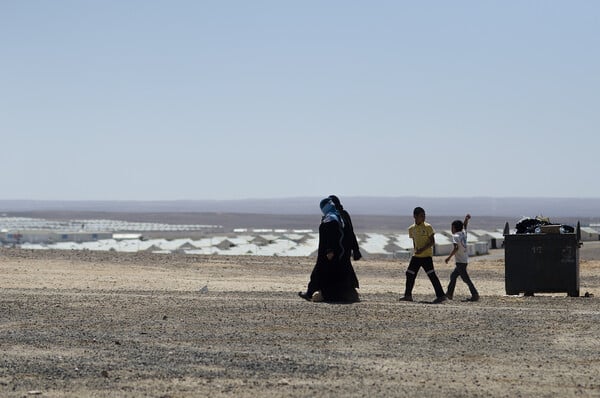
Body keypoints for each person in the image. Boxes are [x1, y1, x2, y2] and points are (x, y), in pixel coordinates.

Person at [298, 197, 360, 303]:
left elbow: (333, 235)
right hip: (342, 252)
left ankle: (312, 293)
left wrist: (329, 250)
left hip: (330, 253)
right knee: (341, 274)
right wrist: (355, 249)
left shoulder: (332, 218)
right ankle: (345, 295)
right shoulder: (337, 216)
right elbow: (350, 233)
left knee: (320, 272)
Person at [399, 206, 447, 303]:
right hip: (416, 257)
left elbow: (432, 242)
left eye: (424, 215)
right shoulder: (411, 229)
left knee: (431, 275)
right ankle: (408, 295)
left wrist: (422, 249)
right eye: (421, 216)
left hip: (426, 257)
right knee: (409, 273)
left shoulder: (428, 227)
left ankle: (441, 295)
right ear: (415, 216)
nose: (424, 217)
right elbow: (414, 241)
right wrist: (416, 250)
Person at [328, 195, 361, 290]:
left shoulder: (335, 215)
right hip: (345, 247)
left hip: (340, 247)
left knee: (342, 267)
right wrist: (355, 248)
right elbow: (351, 232)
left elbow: (350, 231)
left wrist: (356, 249)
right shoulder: (340, 214)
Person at [445, 214, 479, 302]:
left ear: (454, 228)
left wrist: (448, 257)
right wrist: (466, 219)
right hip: (464, 260)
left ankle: (475, 294)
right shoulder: (463, 233)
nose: (451, 229)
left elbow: (456, 248)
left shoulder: (455, 236)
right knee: (453, 276)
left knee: (465, 279)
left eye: (452, 227)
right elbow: (465, 226)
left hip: (460, 261)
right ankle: (449, 294)